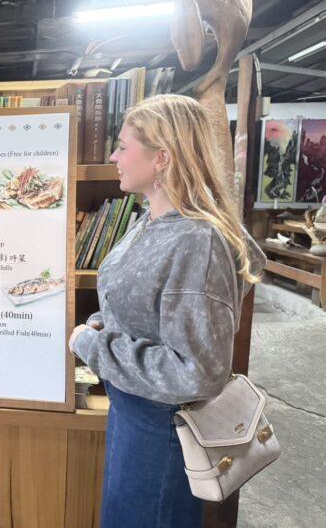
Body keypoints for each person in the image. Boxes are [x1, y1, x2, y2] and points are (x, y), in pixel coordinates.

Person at [68, 94, 265, 528]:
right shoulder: (152, 220)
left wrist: (95, 346)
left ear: (162, 158)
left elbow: (197, 372)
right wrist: (105, 325)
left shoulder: (197, 241)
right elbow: (147, 307)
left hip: (162, 432)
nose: (114, 157)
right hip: (133, 416)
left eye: (123, 146)